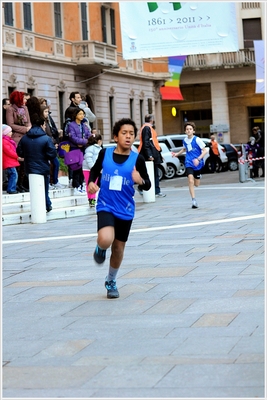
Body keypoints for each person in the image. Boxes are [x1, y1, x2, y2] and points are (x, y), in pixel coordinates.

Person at [88, 118, 151, 299]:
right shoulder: (104, 154)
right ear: (116, 136)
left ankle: (111, 280)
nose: (128, 137)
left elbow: (147, 185)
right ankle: (100, 248)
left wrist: (140, 181)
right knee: (106, 238)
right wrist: (92, 182)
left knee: (118, 248)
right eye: (124, 133)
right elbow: (94, 170)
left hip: (125, 209)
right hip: (106, 205)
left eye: (131, 134)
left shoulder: (137, 159)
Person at [16, 114, 57, 212]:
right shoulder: (46, 138)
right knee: (44, 188)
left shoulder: (25, 138)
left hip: (29, 167)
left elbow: (19, 152)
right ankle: (47, 205)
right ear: (42, 125)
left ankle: (45, 205)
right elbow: (52, 154)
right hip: (43, 166)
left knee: (34, 188)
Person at [172, 122, 208, 209]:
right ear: (185, 131)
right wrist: (177, 154)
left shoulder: (197, 140)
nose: (188, 131)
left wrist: (198, 159)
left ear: (193, 131)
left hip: (198, 163)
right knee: (190, 181)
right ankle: (193, 200)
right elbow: (185, 148)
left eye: (190, 129)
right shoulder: (184, 140)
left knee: (197, 184)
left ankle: (198, 176)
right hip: (189, 162)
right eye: (187, 129)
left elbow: (205, 150)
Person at [6, 90, 32, 192]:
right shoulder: (10, 109)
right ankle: (16, 184)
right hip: (16, 137)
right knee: (18, 161)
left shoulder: (25, 108)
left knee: (25, 162)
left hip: (26, 138)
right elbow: (11, 124)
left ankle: (23, 183)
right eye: (23, 98)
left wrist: (29, 127)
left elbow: (28, 121)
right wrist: (25, 129)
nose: (25, 100)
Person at [137, 114, 166, 197]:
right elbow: (147, 143)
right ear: (151, 120)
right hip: (150, 154)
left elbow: (151, 142)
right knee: (153, 173)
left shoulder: (146, 127)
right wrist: (149, 155)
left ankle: (146, 188)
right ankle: (155, 190)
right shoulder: (147, 128)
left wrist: (159, 154)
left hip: (152, 153)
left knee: (152, 173)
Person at [67, 108, 91, 195]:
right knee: (76, 167)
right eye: (80, 114)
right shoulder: (71, 125)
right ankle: (76, 185)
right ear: (76, 115)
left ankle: (81, 184)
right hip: (75, 148)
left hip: (83, 148)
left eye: (83, 114)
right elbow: (72, 137)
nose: (82, 116)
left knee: (82, 167)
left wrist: (84, 142)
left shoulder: (84, 125)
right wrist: (82, 141)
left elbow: (89, 135)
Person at [41, 105, 65, 189]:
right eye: (45, 112)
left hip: (52, 144)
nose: (47, 113)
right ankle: (48, 182)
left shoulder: (48, 121)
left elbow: (51, 134)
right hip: (47, 146)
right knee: (48, 165)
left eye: (47, 112)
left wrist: (55, 142)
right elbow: (45, 135)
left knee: (56, 163)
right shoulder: (42, 122)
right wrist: (52, 143)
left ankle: (55, 181)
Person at [83, 132, 103, 207]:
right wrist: (93, 168)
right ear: (99, 141)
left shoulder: (100, 149)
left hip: (95, 169)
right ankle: (91, 199)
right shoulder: (90, 148)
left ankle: (93, 198)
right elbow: (88, 159)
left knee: (94, 183)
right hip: (87, 169)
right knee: (90, 183)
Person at [2, 124, 23, 194]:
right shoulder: (4, 141)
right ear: (5, 133)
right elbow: (9, 152)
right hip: (8, 161)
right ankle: (11, 188)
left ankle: (11, 188)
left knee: (13, 175)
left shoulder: (8, 140)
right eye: (10, 132)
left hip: (10, 161)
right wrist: (17, 156)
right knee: (14, 175)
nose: (11, 133)